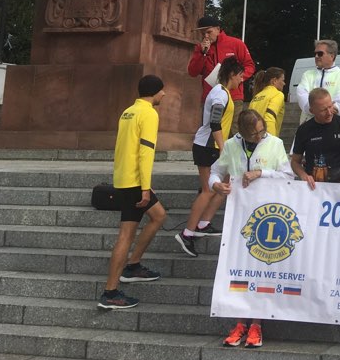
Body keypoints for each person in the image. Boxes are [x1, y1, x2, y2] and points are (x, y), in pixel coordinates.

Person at [211, 110, 293, 349]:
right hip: (239, 216)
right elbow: (216, 170)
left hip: (268, 217)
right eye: (254, 133)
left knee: (260, 268)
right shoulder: (231, 145)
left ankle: (257, 322)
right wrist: (215, 185)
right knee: (238, 268)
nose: (260, 136)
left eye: (261, 130)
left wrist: (261, 173)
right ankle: (240, 321)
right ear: (243, 133)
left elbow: (287, 175)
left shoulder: (274, 143)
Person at [98, 75, 168, 310]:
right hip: (135, 184)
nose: (164, 95)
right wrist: (145, 187)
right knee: (125, 235)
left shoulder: (128, 111)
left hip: (125, 178)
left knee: (158, 216)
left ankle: (134, 264)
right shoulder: (149, 113)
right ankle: (110, 292)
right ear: (156, 92)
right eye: (162, 91)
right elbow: (145, 152)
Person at [176, 56, 243, 257]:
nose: (242, 80)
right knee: (207, 190)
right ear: (232, 75)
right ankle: (187, 233)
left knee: (224, 184)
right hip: (207, 146)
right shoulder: (219, 94)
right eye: (240, 76)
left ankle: (203, 223)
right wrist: (223, 148)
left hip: (214, 145)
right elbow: (215, 123)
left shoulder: (224, 93)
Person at [291, 88, 340, 186]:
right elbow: (295, 162)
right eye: (323, 110)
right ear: (312, 110)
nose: (329, 112)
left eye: (330, 106)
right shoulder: (304, 130)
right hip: (314, 186)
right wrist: (303, 175)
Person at [187, 15, 254, 106]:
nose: (206, 36)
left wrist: (238, 78)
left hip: (233, 96)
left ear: (218, 29)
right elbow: (192, 72)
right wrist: (202, 54)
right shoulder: (200, 48)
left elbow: (249, 66)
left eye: (208, 32)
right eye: (203, 34)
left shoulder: (236, 43)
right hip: (210, 97)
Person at [296, 39, 340, 120]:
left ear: (332, 56)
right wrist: (318, 111)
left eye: (320, 53)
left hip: (334, 124)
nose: (316, 56)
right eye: (315, 53)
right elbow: (302, 97)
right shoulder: (307, 75)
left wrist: (322, 112)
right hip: (309, 124)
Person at [249, 67, 285, 137]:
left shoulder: (256, 97)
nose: (284, 83)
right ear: (274, 81)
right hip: (266, 138)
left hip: (253, 139)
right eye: (283, 80)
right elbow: (269, 118)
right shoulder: (278, 94)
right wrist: (271, 141)